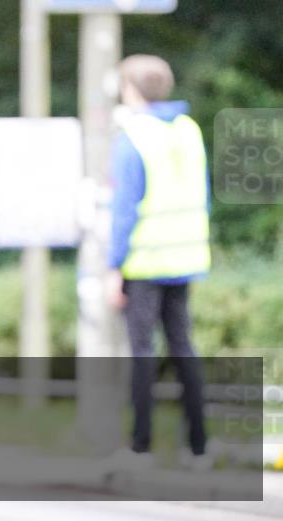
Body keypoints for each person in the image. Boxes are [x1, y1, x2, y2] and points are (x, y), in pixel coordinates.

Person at [105, 54, 212, 471]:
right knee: (184, 348)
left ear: (130, 89)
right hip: (186, 255)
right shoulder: (189, 130)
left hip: (145, 261)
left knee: (142, 354)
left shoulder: (134, 136)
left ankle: (141, 448)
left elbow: (124, 209)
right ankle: (199, 448)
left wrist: (114, 266)